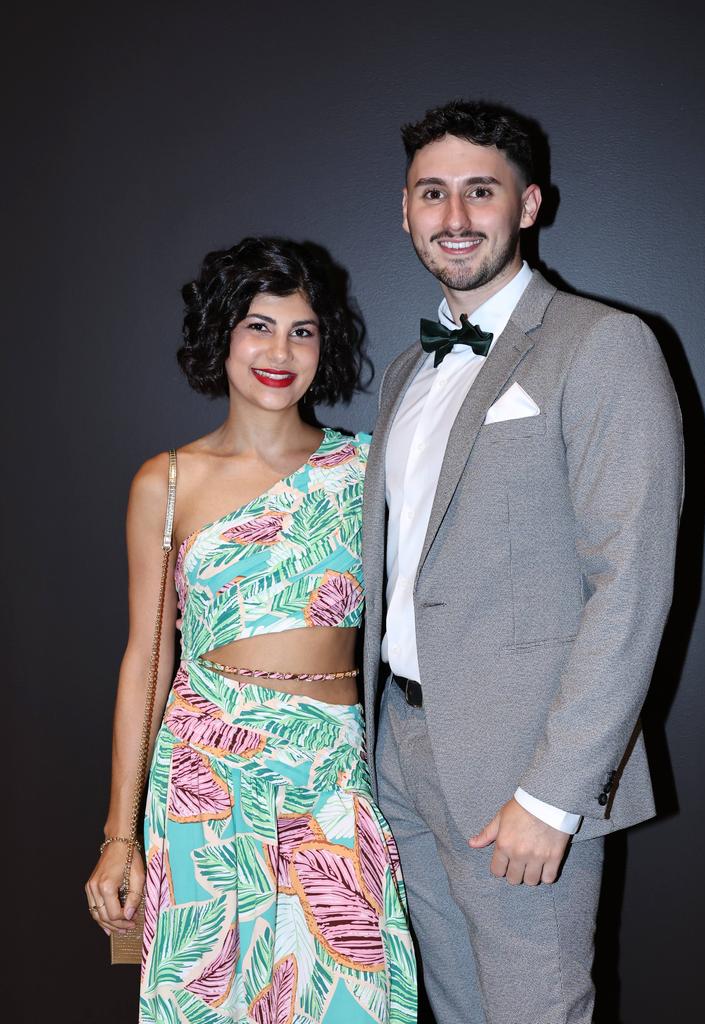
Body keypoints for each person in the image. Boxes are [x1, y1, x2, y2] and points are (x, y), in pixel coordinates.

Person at [361, 100, 684, 1024]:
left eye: (480, 191)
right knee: (459, 1007)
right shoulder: (404, 376)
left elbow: (632, 582)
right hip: (401, 748)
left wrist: (556, 794)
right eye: (433, 193)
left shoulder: (603, 344)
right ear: (407, 210)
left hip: (523, 764)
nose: (454, 216)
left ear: (529, 204)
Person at [86, 237, 417, 1023]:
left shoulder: (369, 469)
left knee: (349, 996)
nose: (280, 351)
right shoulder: (167, 482)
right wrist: (118, 836)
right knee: (210, 998)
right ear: (221, 338)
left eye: (302, 330)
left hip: (331, 766)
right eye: (257, 327)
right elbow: (147, 659)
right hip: (205, 772)